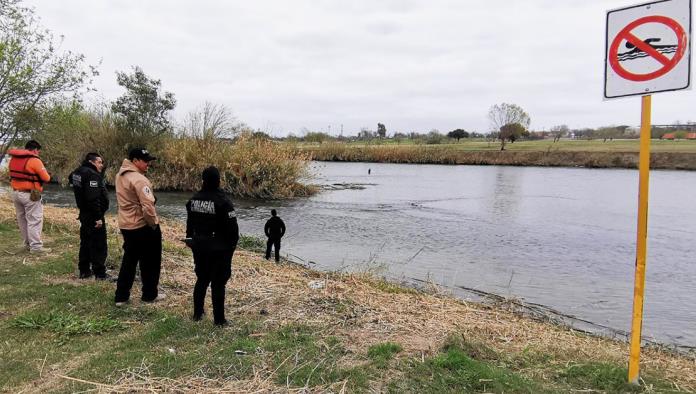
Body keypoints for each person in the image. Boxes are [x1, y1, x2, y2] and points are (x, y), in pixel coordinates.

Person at [185, 166, 239, 326]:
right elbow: (233, 230)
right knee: (218, 283)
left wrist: (191, 240)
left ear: (203, 181)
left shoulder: (193, 200)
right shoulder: (223, 202)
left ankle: (197, 313)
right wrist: (231, 248)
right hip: (219, 248)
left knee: (201, 279)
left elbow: (189, 224)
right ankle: (219, 320)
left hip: (199, 245)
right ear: (218, 181)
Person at [114, 148, 164, 306]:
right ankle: (149, 295)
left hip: (126, 224)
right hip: (142, 226)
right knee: (151, 262)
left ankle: (121, 297)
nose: (148, 163)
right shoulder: (140, 179)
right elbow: (148, 207)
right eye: (145, 160)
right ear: (135, 161)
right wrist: (153, 224)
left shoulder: (120, 175)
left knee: (129, 260)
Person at [69, 153, 110, 280]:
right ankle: (100, 274)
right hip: (93, 215)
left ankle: (84, 270)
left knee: (86, 242)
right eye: (99, 162)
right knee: (99, 244)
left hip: (84, 213)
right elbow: (93, 198)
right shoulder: (92, 174)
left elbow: (71, 179)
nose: (101, 165)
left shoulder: (77, 172)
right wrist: (98, 217)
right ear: (91, 161)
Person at [8, 140, 51, 253]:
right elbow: (46, 178)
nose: (38, 153)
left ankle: (27, 243)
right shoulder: (35, 160)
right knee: (34, 220)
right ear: (35, 150)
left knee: (22, 219)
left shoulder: (13, 159)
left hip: (16, 193)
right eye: (38, 151)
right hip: (30, 195)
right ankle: (36, 247)